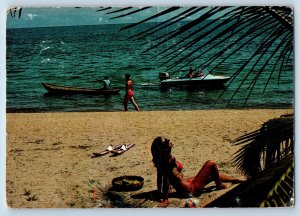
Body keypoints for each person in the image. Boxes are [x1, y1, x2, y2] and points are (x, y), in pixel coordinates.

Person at [151, 137, 244, 207]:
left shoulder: (161, 160)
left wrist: (159, 192)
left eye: (167, 139)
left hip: (185, 186)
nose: (168, 140)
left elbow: (160, 177)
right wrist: (165, 199)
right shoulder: (168, 161)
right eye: (166, 142)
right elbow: (165, 179)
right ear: (163, 149)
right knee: (211, 163)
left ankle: (236, 180)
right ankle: (219, 185)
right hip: (189, 189)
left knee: (213, 174)